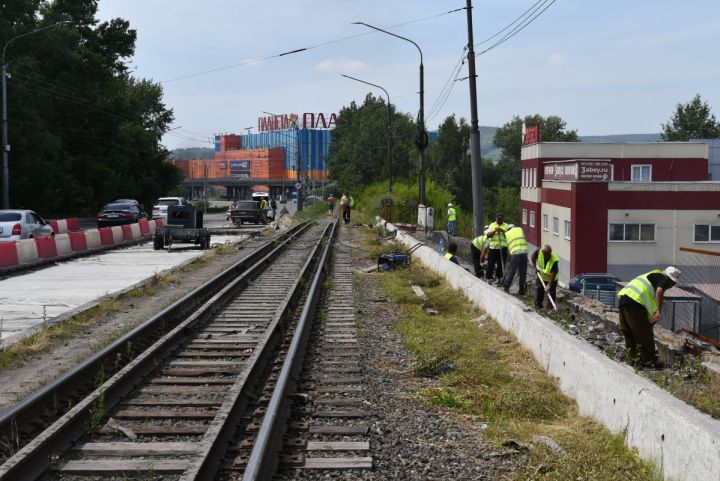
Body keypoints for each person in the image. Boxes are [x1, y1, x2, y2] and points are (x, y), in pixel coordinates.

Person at [617, 267, 681, 367]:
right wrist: (659, 311)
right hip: (635, 304)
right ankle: (650, 362)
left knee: (629, 333)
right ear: (671, 280)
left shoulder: (651, 275)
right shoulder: (663, 278)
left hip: (623, 301)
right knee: (645, 335)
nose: (671, 287)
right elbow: (659, 291)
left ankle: (633, 360)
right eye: (673, 284)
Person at [531, 244, 559, 309]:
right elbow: (533, 257)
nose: (546, 256)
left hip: (552, 278)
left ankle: (549, 309)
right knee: (539, 289)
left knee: (551, 293)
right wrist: (535, 267)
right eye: (545, 255)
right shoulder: (539, 251)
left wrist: (549, 285)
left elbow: (553, 273)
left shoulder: (554, 259)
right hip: (542, 276)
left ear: (550, 253)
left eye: (548, 255)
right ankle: (538, 305)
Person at [502, 224, 528, 295]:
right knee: (523, 272)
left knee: (512, 271)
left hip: (515, 253)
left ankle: (506, 287)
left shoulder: (507, 233)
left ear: (508, 229)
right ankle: (521, 289)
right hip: (524, 252)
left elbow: (507, 244)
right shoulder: (520, 229)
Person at [485, 213, 509, 284]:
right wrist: (494, 231)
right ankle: (489, 278)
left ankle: (499, 278)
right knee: (491, 263)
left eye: (501, 218)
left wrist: (502, 231)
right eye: (498, 218)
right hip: (493, 248)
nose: (499, 220)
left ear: (503, 219)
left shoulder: (506, 226)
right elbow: (488, 235)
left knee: (501, 264)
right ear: (496, 218)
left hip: (502, 248)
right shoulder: (492, 225)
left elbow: (508, 235)